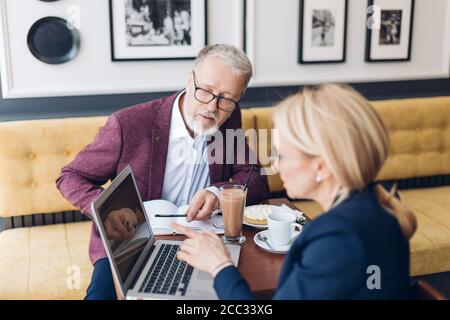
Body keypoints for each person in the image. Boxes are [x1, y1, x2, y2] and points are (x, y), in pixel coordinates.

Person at [56, 44, 269, 300]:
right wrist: (109, 213)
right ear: (190, 80)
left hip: (204, 240)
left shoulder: (229, 117)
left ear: (239, 97)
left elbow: (253, 174)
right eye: (206, 91)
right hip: (133, 243)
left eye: (226, 99)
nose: (212, 107)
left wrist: (217, 193)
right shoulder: (129, 124)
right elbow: (70, 177)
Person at [172, 84, 417, 299]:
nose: (275, 166)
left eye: (281, 155)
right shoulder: (374, 206)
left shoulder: (338, 238)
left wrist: (220, 266)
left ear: (321, 166)